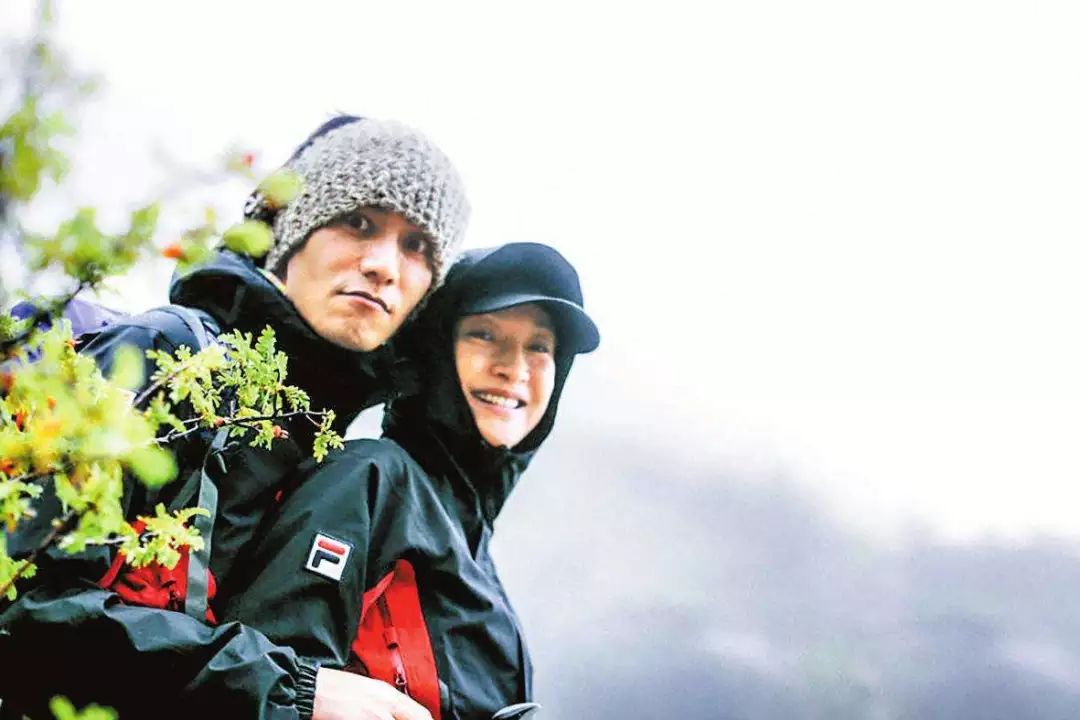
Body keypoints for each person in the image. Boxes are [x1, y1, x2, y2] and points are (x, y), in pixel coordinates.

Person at [0, 115, 467, 720]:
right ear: (294, 231)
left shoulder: (331, 456)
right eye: (359, 223)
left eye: (417, 247)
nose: (384, 265)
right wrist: (289, 690)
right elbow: (18, 599)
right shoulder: (167, 357)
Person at [220, 243, 601, 720]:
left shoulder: (470, 537)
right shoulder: (371, 479)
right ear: (436, 350)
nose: (514, 368)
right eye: (484, 334)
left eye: (539, 347)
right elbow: (265, 686)